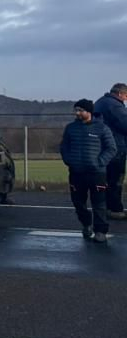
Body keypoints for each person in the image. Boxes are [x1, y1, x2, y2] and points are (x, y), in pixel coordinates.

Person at [59, 98, 116, 242]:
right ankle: (86, 224)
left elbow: (111, 148)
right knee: (78, 202)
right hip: (76, 172)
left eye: (80, 110)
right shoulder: (71, 128)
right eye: (76, 110)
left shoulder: (102, 128)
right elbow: (64, 147)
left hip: (97, 173)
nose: (77, 113)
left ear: (89, 112)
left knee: (99, 204)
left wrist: (99, 162)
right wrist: (68, 160)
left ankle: (100, 231)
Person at [93, 82, 127, 220]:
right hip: (115, 147)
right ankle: (114, 209)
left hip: (100, 147)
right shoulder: (114, 105)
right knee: (115, 179)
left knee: (104, 179)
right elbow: (125, 124)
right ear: (119, 94)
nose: (125, 99)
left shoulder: (100, 102)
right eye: (125, 95)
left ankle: (103, 207)